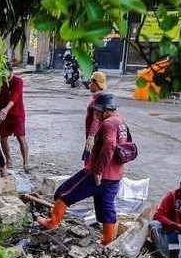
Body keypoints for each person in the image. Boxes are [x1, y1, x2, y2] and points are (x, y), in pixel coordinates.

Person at [38, 92, 132, 245]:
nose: (95, 114)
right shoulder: (121, 122)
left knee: (64, 193)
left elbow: (109, 146)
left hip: (98, 173)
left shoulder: (108, 123)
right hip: (115, 176)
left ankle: (52, 222)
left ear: (106, 110)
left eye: (97, 111)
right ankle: (107, 241)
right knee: (106, 207)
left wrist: (99, 170)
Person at [0, 67, 29, 171]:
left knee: (21, 138)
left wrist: (6, 109)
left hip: (17, 114)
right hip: (4, 115)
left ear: (11, 71)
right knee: (3, 137)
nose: (3, 76)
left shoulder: (18, 81)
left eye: (5, 73)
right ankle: (8, 161)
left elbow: (15, 97)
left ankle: (26, 163)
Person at [82, 71, 108, 162]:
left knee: (91, 161)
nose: (89, 84)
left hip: (96, 135)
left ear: (95, 83)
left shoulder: (98, 98)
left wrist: (91, 136)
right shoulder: (98, 96)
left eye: (91, 82)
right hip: (95, 134)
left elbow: (96, 119)